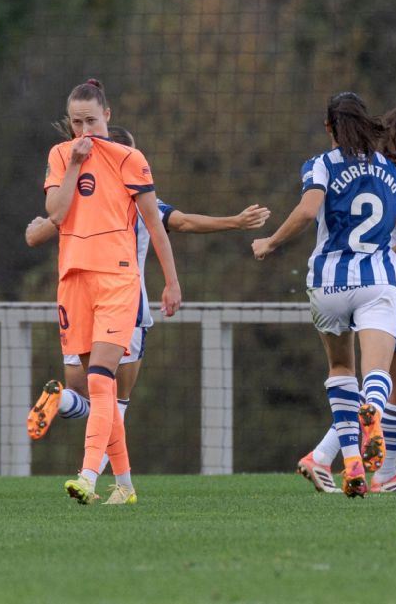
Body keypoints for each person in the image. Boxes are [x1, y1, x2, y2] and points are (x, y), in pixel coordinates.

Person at [25, 124, 270, 473]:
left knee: (86, 393)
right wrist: (235, 221)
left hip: (78, 300)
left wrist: (36, 228)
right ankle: (99, 478)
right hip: (127, 307)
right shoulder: (141, 200)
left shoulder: (76, 199)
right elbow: (182, 223)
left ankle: (63, 400)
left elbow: (39, 233)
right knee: (115, 402)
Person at [253, 92, 396, 498]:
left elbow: (306, 211)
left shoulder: (322, 163)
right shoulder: (390, 168)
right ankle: (373, 408)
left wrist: (271, 242)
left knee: (340, 369)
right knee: (377, 375)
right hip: (379, 280)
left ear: (328, 128)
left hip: (328, 281)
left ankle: (353, 464)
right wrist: (394, 252)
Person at [295, 105, 396, 494]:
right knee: (391, 381)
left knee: (387, 381)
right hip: (384, 283)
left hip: (371, 286)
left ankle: (328, 458)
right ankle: (381, 474)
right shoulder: (389, 174)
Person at [45, 79, 182, 506]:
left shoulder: (130, 158)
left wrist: (171, 280)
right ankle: (124, 485)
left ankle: (86, 476)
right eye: (76, 122)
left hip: (118, 280)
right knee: (96, 386)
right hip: (73, 280)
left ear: (108, 116)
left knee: (102, 379)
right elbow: (55, 212)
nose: (84, 130)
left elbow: (155, 223)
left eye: (91, 120)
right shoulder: (60, 156)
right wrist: (73, 166)